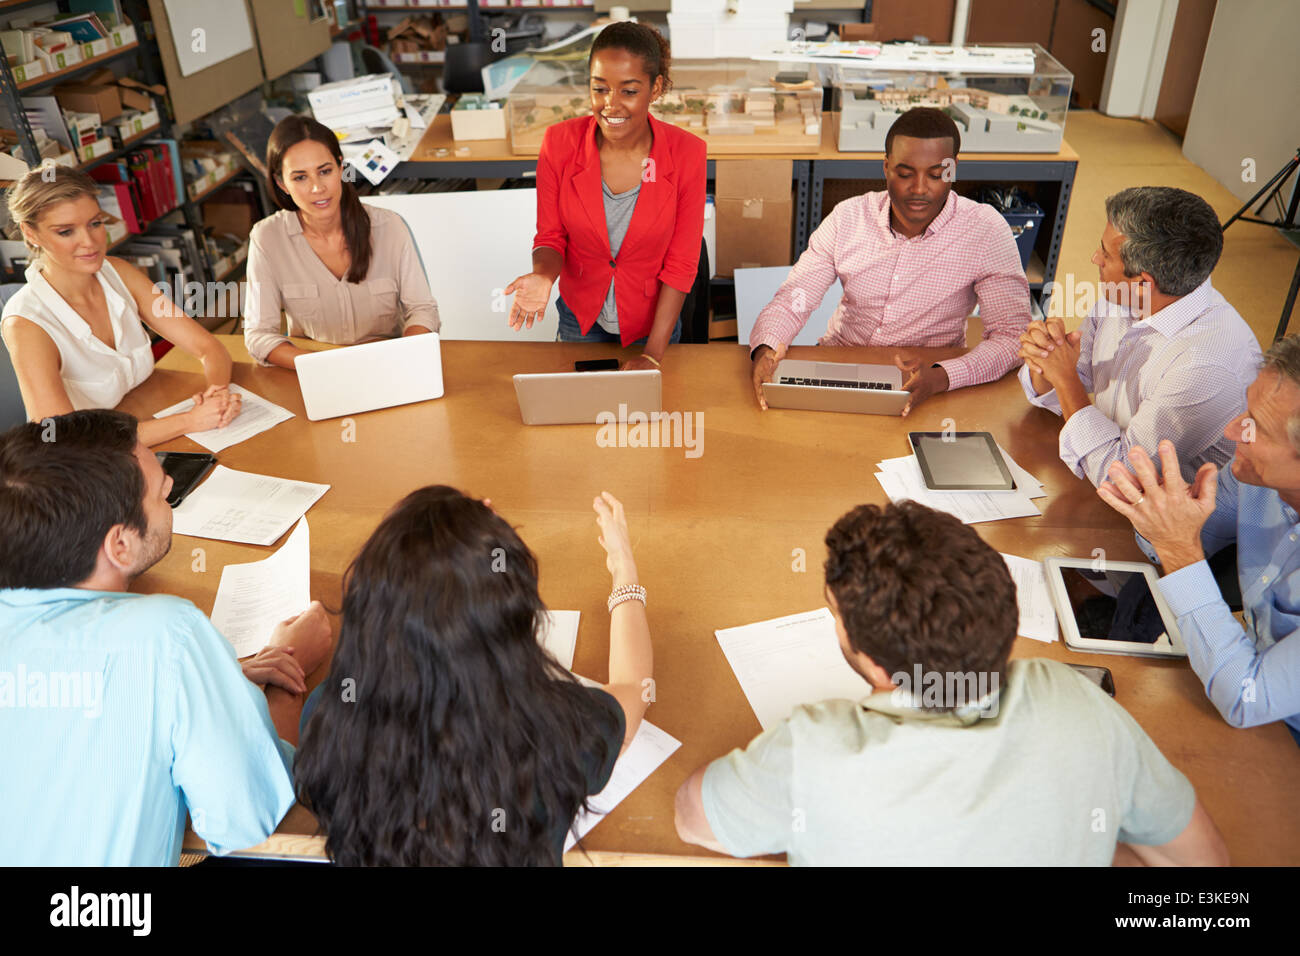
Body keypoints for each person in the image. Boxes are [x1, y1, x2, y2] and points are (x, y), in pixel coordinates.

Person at [674, 499, 1228, 865]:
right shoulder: (1077, 700)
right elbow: (1203, 864)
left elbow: (692, 818)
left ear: (876, 666)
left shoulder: (813, 749)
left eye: (834, 613)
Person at [0, 410, 333, 865]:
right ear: (120, 545)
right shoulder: (169, 634)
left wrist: (223, 681)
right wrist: (287, 675)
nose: (172, 485)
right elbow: (247, 822)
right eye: (161, 493)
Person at [295, 487, 653, 865]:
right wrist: (623, 568)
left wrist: (456, 544)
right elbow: (634, 688)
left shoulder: (330, 714)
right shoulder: (552, 731)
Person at [749, 107, 1032, 415]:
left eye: (936, 174)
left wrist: (942, 377)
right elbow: (794, 299)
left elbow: (1011, 336)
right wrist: (765, 349)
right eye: (905, 174)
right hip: (841, 363)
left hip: (930, 376)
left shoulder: (986, 231)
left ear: (953, 170)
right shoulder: (847, 218)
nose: (919, 189)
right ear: (886, 167)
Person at [1097, 334, 1300, 743]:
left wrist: (1178, 549)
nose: (1232, 429)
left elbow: (1246, 698)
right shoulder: (1256, 479)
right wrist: (1161, 510)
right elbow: (1169, 540)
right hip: (1237, 690)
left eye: (1256, 427)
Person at [1019, 186, 1260, 486]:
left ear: (1144, 283)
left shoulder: (1205, 366)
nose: (1095, 258)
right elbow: (1067, 387)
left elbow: (1122, 475)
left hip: (1163, 506)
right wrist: (1045, 356)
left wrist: (1064, 378)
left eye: (1105, 254)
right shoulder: (1123, 297)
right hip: (1104, 478)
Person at [503, 21, 705, 369]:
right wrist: (544, 275)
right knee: (581, 402)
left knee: (648, 403)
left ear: (655, 88)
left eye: (629, 91)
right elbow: (551, 236)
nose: (610, 105)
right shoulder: (559, 144)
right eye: (600, 89)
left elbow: (682, 263)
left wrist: (652, 355)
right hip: (581, 317)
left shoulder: (687, 153)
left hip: (653, 325)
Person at [1, 165, 240, 445]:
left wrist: (217, 394)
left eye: (95, 223)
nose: (89, 242)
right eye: (66, 232)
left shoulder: (119, 273)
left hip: (145, 420)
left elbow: (208, 348)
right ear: (31, 234)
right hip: (94, 456)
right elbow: (63, 439)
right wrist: (190, 420)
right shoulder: (26, 324)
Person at [243, 115, 439, 369]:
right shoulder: (267, 238)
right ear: (282, 184)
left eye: (325, 171)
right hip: (315, 368)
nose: (317, 188)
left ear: (341, 169)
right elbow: (259, 335)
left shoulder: (389, 227)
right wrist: (322, 367)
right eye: (300, 177)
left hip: (389, 364)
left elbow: (423, 310)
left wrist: (402, 357)